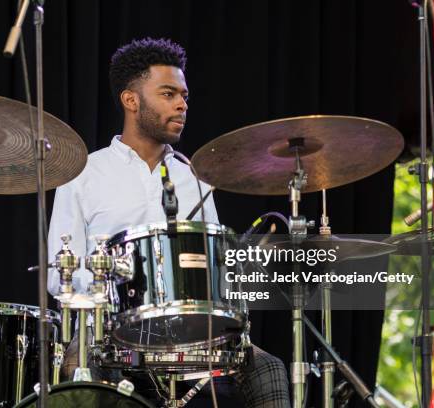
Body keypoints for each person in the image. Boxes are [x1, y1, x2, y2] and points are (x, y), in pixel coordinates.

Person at [48, 37, 290, 408]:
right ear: (131, 101)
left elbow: (217, 269)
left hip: (193, 337)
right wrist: (115, 286)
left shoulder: (195, 179)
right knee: (82, 369)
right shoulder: (83, 174)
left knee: (268, 368)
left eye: (185, 96)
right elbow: (57, 276)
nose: (182, 105)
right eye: (168, 94)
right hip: (106, 336)